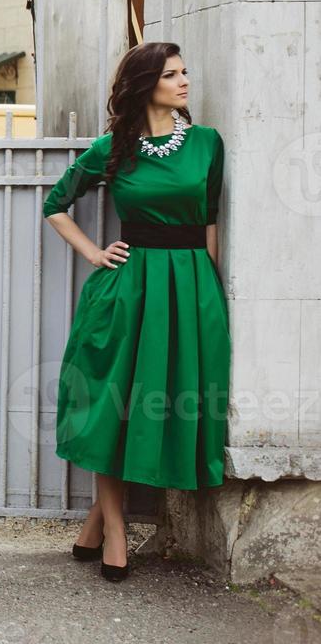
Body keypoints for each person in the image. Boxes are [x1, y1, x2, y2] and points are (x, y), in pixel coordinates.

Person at [42, 41, 229, 583]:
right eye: (173, 74)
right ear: (147, 84)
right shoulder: (114, 148)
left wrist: (207, 292)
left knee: (161, 404)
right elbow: (56, 205)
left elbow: (210, 221)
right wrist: (95, 253)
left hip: (189, 288)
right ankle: (118, 534)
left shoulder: (207, 144)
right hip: (128, 292)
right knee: (112, 410)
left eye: (185, 72)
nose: (185, 82)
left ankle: (96, 524)